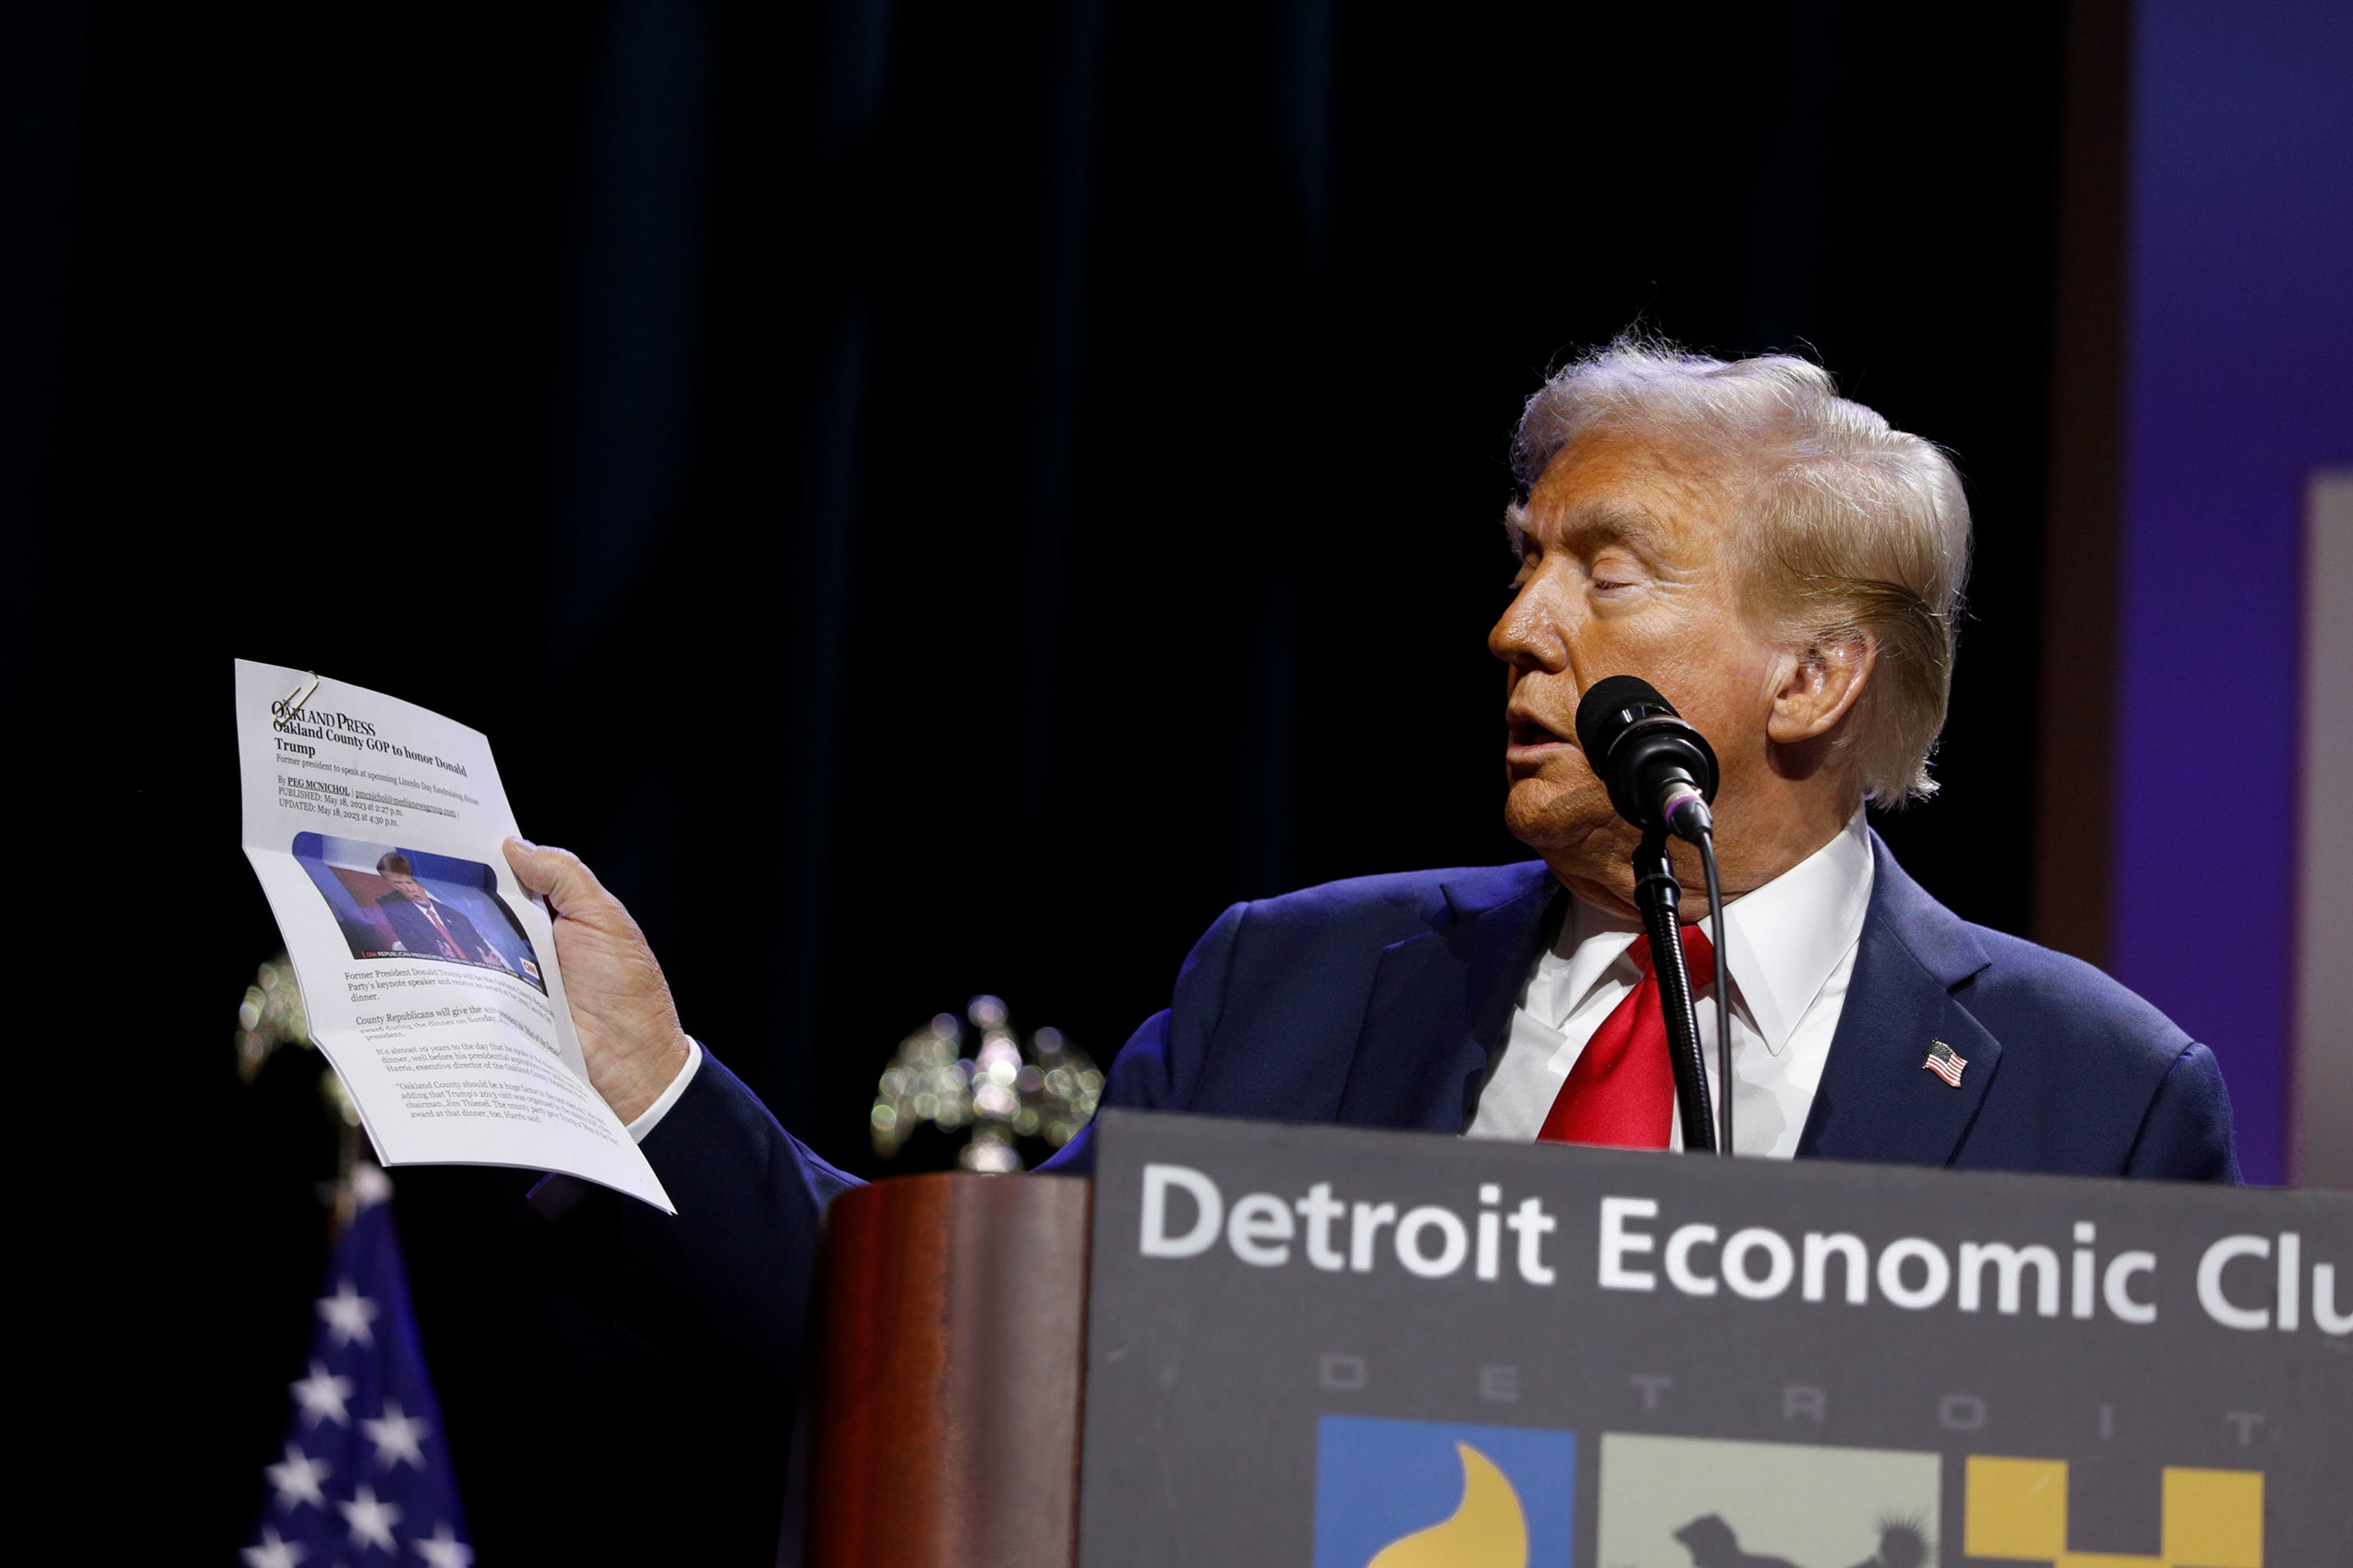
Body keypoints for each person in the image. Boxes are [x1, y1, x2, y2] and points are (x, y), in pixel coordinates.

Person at [506, 339, 2237, 1397]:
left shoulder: (2091, 1099)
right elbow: (958, 1344)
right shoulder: (1300, 983)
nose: (1516, 627)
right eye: (1521, 561)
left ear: (1812, 673)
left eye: (1606, 572)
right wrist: (646, 1082)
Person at [373, 852, 511, 971]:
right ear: (390, 884)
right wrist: (446, 961)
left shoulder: (458, 917)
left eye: (410, 883)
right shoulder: (394, 909)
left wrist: (494, 967)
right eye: (398, 884)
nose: (409, 889)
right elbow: (418, 949)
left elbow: (487, 954)